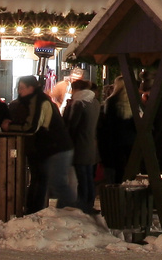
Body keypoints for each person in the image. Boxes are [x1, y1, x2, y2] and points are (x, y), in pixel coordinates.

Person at [6, 75, 76, 214]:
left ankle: (71, 214)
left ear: (31, 88)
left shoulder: (38, 101)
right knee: (42, 179)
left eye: (22, 88)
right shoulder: (35, 100)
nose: (19, 91)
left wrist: (10, 127)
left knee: (52, 182)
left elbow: (31, 127)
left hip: (54, 147)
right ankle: (41, 211)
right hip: (50, 147)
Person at [65, 79, 101, 215]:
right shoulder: (94, 102)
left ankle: (84, 205)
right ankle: (89, 202)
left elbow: (72, 125)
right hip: (91, 144)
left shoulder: (79, 103)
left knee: (82, 177)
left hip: (80, 145)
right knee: (88, 177)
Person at [97, 78, 137, 184]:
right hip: (131, 141)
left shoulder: (112, 101)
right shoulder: (135, 101)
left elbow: (109, 124)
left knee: (117, 170)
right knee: (129, 169)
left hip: (116, 141)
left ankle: (117, 191)